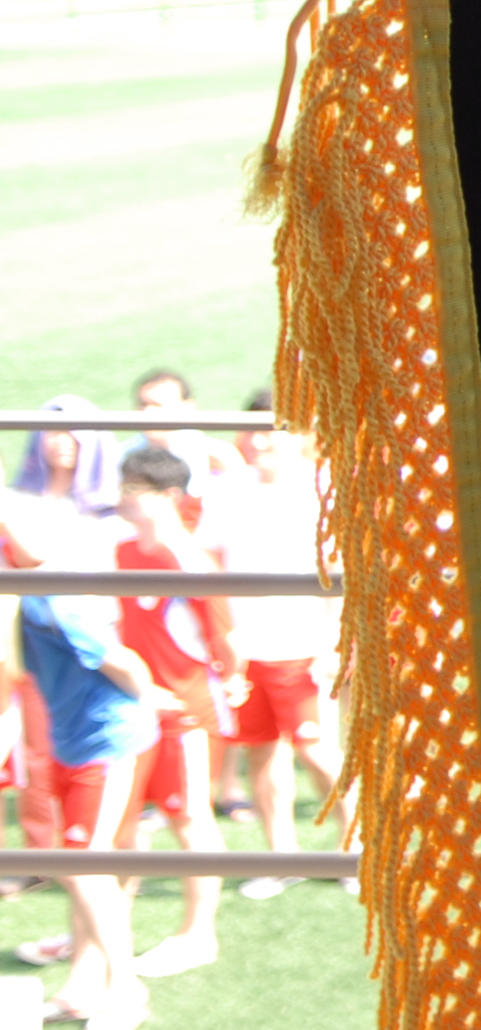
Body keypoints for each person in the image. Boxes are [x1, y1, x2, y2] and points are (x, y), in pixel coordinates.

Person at [2, 487, 159, 1030]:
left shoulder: (54, 595)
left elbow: (122, 661)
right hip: (77, 742)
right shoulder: (30, 590)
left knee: (85, 865)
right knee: (85, 866)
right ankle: (82, 985)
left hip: (106, 742)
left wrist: (147, 699)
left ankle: (128, 991)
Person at [201, 407, 338, 894]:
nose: (259, 442)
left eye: (271, 432)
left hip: (301, 646)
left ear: (297, 435)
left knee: (318, 753)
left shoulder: (320, 486)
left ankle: (356, 851)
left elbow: (338, 573)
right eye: (252, 431)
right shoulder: (224, 491)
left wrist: (330, 644)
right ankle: (282, 856)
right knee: (262, 754)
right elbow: (211, 562)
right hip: (245, 650)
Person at [108, 446, 229, 977]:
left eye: (136, 490)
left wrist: (207, 693)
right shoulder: (123, 551)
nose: (124, 499)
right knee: (121, 825)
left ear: (170, 497)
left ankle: (198, 935)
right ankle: (105, 929)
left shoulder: (191, 562)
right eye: (125, 487)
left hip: (184, 714)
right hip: (133, 709)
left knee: (189, 819)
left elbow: (224, 638)